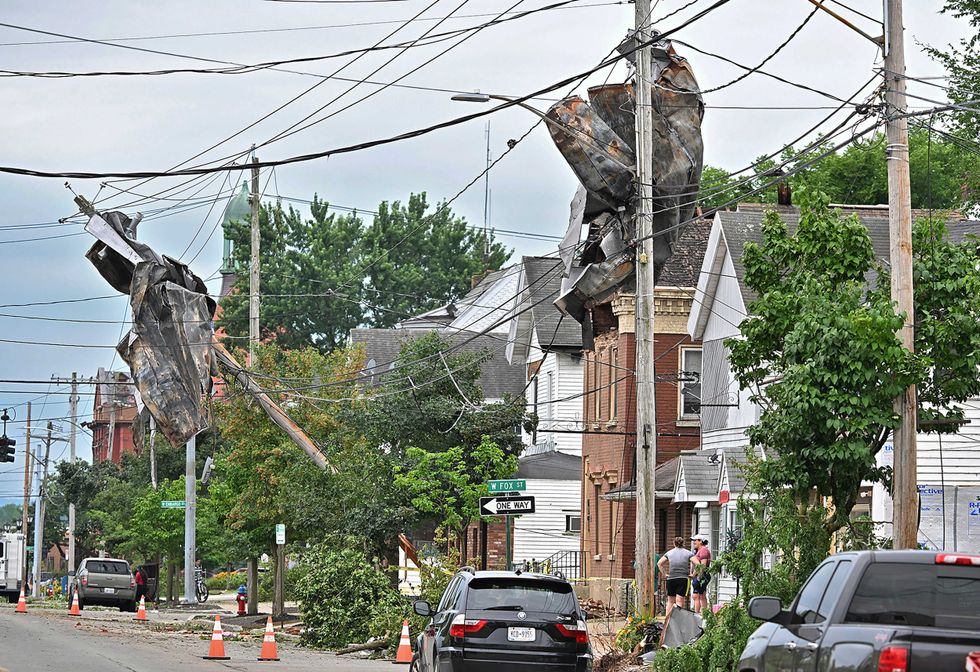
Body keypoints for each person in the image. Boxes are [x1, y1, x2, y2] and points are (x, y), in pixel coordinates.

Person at [657, 536, 695, 615]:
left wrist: (665, 574)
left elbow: (659, 563)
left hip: (671, 578)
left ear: (674, 543)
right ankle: (678, 621)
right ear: (683, 543)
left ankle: (667, 621)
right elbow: (698, 564)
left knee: (670, 601)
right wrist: (693, 574)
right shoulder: (688, 553)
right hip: (683, 579)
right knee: (679, 600)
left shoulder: (669, 553)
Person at [690, 534, 712, 613]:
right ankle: (704, 614)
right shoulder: (700, 551)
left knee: (696, 596)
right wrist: (693, 575)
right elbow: (697, 566)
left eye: (695, 541)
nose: (694, 542)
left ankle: (697, 615)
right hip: (700, 575)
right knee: (702, 595)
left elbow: (702, 565)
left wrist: (698, 577)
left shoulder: (703, 550)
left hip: (702, 575)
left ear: (700, 541)